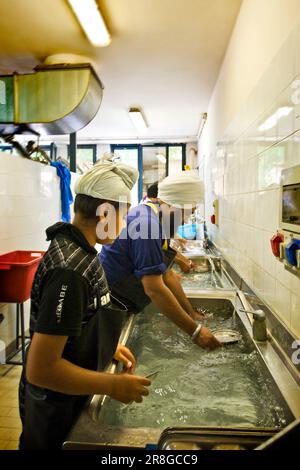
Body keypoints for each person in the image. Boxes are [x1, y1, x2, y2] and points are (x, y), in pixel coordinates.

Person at [18, 158, 151, 450]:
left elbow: (77, 323)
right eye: (123, 215)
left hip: (70, 396)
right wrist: (112, 385)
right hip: (54, 408)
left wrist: (105, 345)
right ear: (105, 213)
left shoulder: (83, 250)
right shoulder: (70, 270)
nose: (125, 224)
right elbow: (40, 369)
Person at [100, 171, 221, 351]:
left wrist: (191, 314)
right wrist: (195, 331)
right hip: (111, 303)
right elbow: (154, 288)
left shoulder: (155, 216)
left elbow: (167, 274)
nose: (185, 220)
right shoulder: (147, 224)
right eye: (187, 213)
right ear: (173, 205)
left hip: (124, 299)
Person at [144, 182, 196, 273]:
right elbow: (154, 256)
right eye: (187, 213)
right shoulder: (148, 221)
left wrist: (184, 260)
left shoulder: (159, 218)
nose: (186, 222)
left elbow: (164, 247)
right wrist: (181, 262)